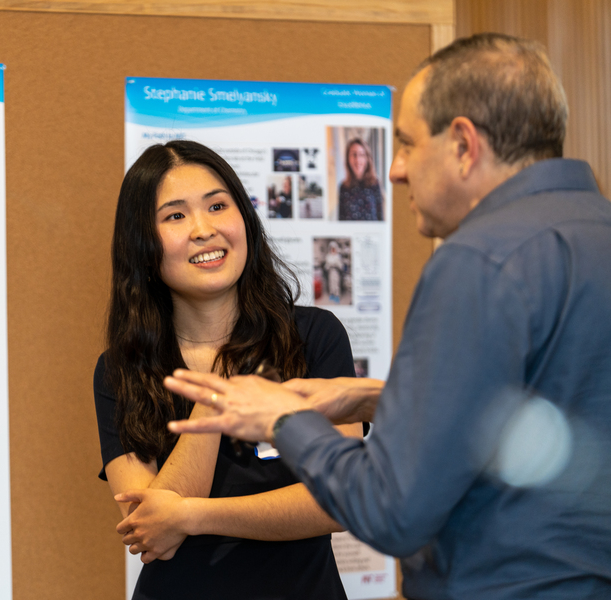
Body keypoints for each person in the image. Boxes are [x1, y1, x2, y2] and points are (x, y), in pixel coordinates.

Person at [167, 33, 611, 600]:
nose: (395, 170)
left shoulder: (477, 260)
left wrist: (283, 419)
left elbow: (392, 511)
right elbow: (552, 409)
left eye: (406, 144)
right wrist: (384, 398)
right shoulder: (595, 231)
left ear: (463, 145)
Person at [94, 140, 361, 599]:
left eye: (218, 205)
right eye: (175, 216)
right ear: (142, 243)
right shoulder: (122, 369)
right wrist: (214, 390)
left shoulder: (314, 337)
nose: (203, 229)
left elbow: (340, 500)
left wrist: (195, 516)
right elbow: (152, 531)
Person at [337, 138, 383, 220]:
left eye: (361, 155)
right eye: (354, 155)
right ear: (348, 159)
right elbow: (341, 220)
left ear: (367, 159)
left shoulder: (375, 184)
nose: (357, 160)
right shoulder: (343, 187)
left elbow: (381, 218)